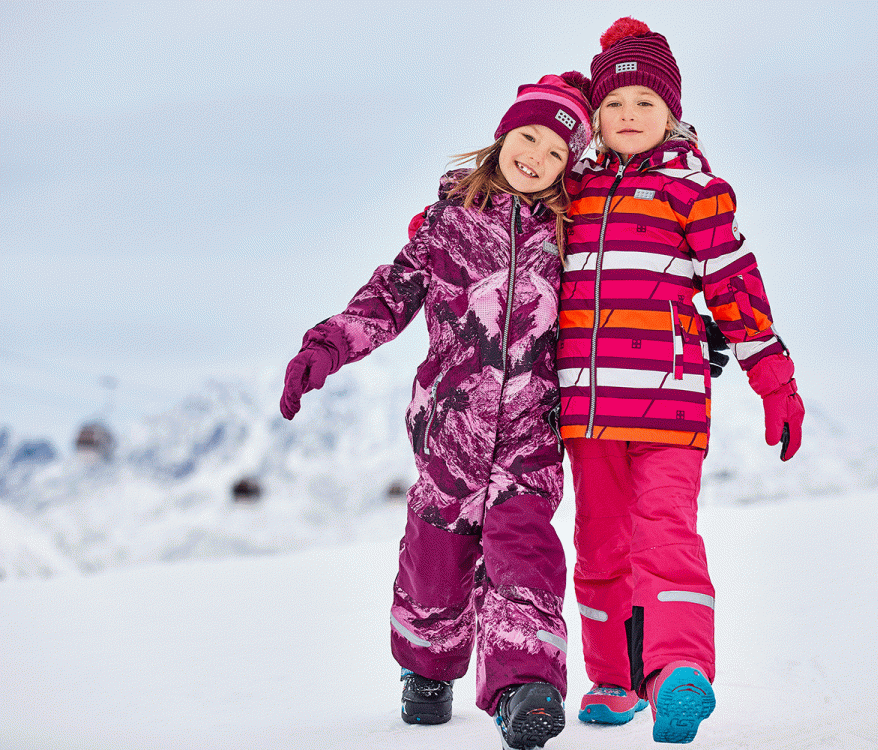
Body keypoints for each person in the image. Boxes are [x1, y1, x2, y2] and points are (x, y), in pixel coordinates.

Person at [279, 72, 593, 750]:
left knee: (526, 557)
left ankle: (524, 687)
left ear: (570, 169)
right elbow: (389, 297)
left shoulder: (572, 238)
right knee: (435, 559)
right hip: (450, 430)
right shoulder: (448, 223)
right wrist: (326, 347)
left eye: (556, 152)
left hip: (531, 437)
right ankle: (426, 666)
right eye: (529, 137)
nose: (536, 157)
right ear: (504, 135)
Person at [557, 18, 806, 744]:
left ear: (672, 111)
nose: (628, 116)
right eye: (614, 104)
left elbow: (734, 286)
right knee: (600, 545)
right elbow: (508, 216)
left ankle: (678, 673)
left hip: (668, 401)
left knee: (665, 535)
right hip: (586, 409)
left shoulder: (697, 189)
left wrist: (774, 376)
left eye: (644, 102)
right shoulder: (574, 190)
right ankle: (611, 679)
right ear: (595, 117)